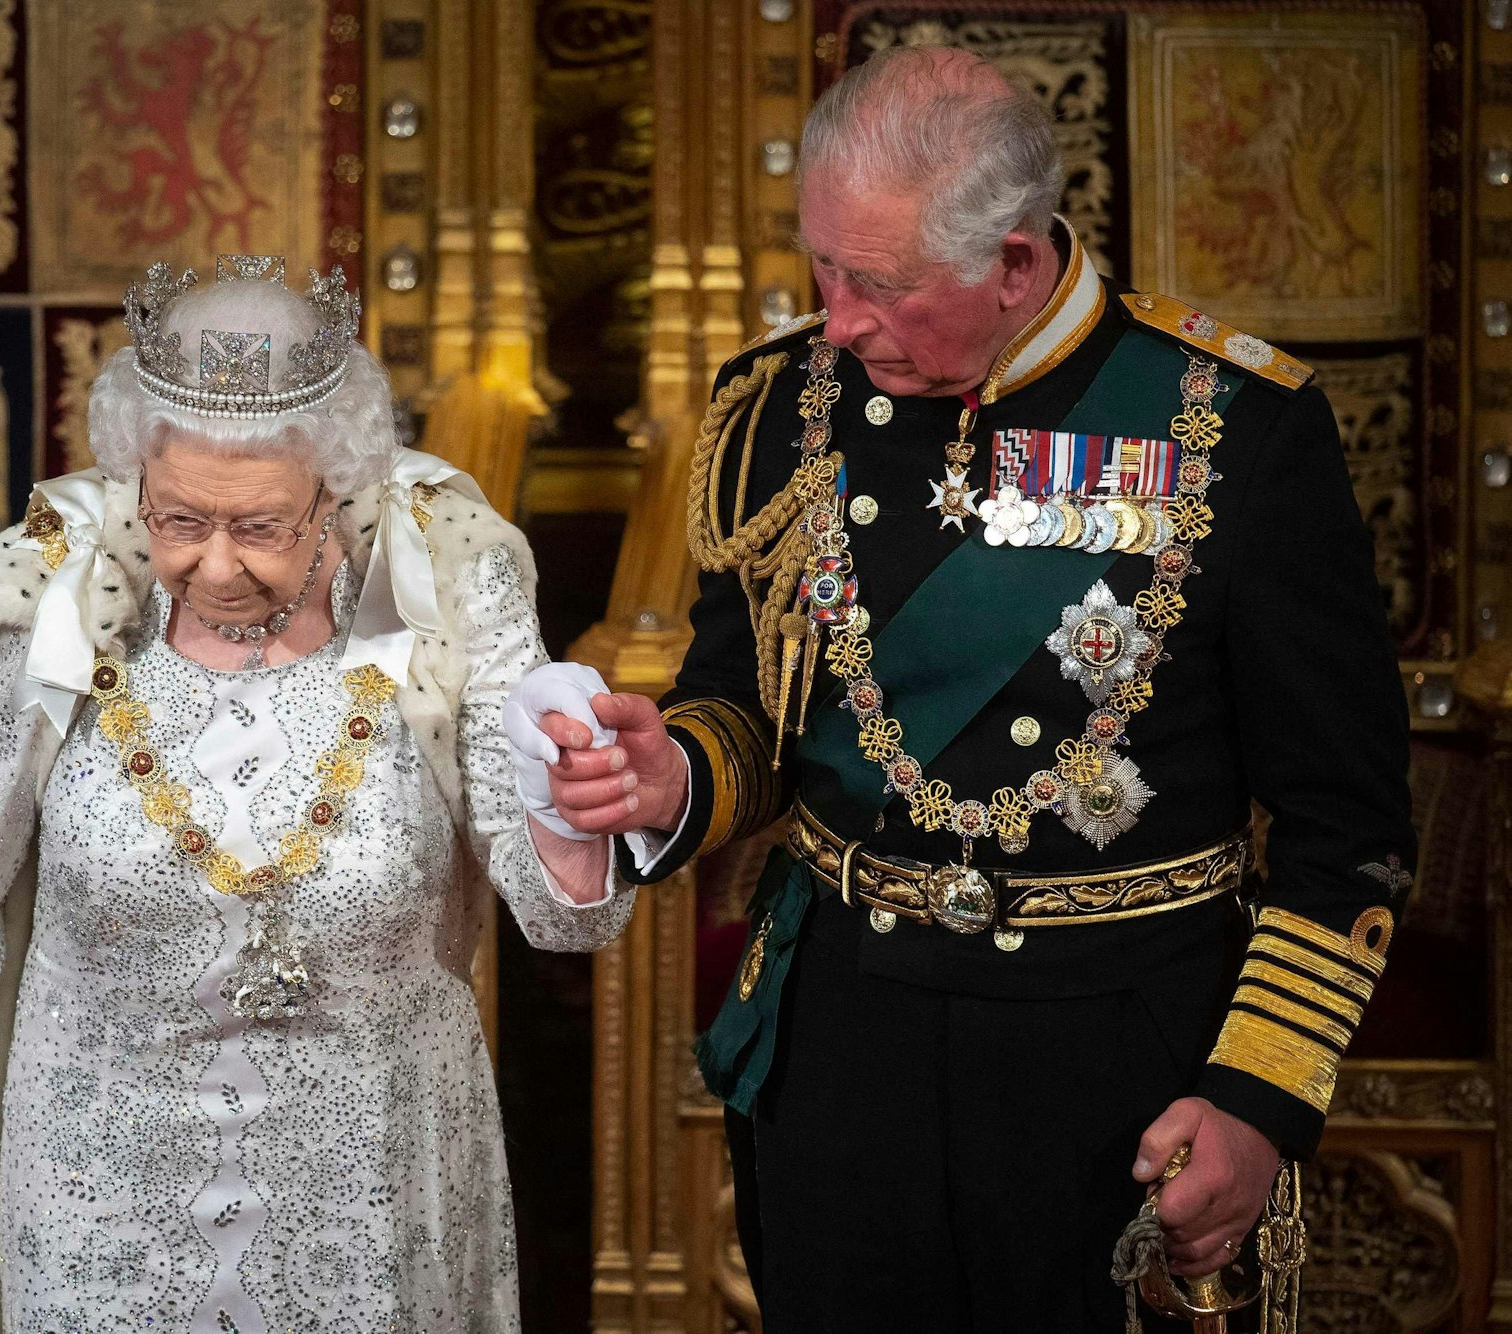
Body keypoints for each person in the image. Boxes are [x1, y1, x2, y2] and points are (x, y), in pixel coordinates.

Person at [506, 46, 1415, 1331]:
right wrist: (679, 774)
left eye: (879, 284)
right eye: (824, 268)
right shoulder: (781, 404)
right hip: (843, 1045)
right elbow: (745, 702)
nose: (838, 320)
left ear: (1015, 265)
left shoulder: (1235, 425)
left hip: (1118, 1054)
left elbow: (1348, 826)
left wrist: (1258, 1098)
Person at [0, 255, 633, 1333]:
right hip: (95, 1181)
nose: (215, 567)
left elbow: (565, 920)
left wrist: (572, 799)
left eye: (259, 526)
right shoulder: (54, 594)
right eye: (178, 520)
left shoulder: (444, 585)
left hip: (372, 1180)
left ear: (333, 488)